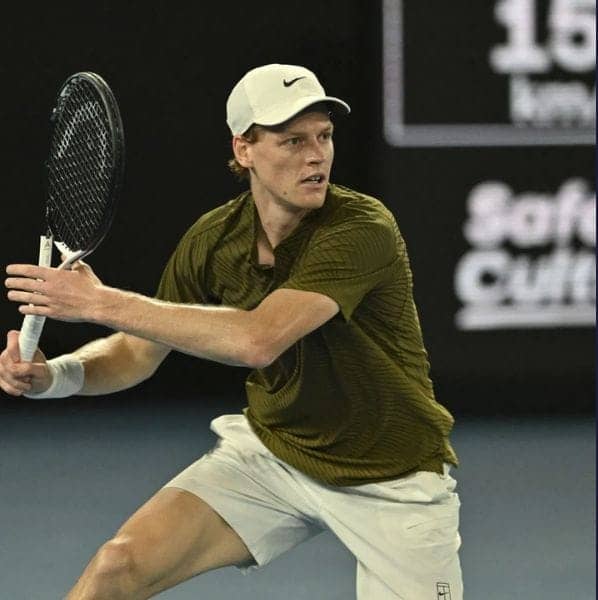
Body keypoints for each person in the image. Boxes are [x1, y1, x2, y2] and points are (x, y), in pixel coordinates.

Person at [1, 63, 463, 600]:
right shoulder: (214, 240)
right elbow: (136, 353)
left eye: (324, 136)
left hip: (392, 479)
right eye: (293, 141)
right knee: (117, 567)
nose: (317, 155)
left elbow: (257, 340)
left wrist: (100, 302)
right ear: (244, 149)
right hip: (276, 455)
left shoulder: (362, 228)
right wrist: (54, 376)